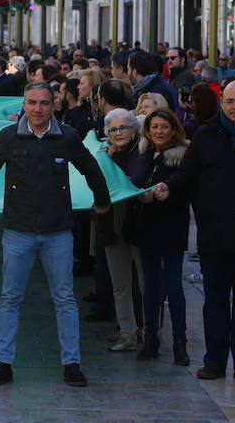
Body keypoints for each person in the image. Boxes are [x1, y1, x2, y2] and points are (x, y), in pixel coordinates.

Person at [0, 82, 111, 388]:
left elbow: (91, 168)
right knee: (10, 297)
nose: (37, 109)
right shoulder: (9, 138)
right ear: (24, 105)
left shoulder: (67, 137)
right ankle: (3, 363)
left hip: (58, 232)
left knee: (64, 298)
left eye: (44, 103)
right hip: (18, 231)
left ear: (53, 105)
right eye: (32, 103)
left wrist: (102, 199)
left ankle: (72, 363)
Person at [156, 81, 235, 382]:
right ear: (221, 101)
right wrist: (168, 187)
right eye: (230, 101)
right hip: (214, 233)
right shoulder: (206, 135)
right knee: (215, 301)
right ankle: (214, 361)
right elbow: (186, 174)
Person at [128, 109, 191, 365]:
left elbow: (185, 183)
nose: (159, 131)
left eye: (164, 126)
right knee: (150, 286)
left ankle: (179, 342)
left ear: (173, 129)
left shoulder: (183, 157)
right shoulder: (143, 155)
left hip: (172, 226)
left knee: (174, 286)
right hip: (147, 226)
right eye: (155, 126)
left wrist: (165, 191)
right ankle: (151, 338)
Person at [100, 108, 144, 352]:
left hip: (138, 228)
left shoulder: (142, 154)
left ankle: (148, 332)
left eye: (123, 128)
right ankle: (127, 333)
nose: (119, 133)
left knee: (145, 284)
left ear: (134, 129)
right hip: (113, 228)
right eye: (113, 129)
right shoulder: (105, 156)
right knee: (120, 284)